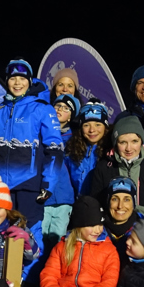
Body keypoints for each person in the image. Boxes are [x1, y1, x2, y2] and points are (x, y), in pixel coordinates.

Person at [0, 58, 63, 247]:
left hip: (30, 183)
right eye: (13, 79)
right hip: (3, 186)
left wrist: (48, 183)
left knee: (29, 234)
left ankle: (30, 277)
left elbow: (55, 148)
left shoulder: (42, 108)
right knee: (1, 235)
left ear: (30, 81)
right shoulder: (1, 109)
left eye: (22, 78)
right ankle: (6, 276)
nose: (17, 83)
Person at [87, 115, 144, 220]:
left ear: (141, 142)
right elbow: (96, 204)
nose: (129, 148)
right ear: (115, 143)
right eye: (123, 142)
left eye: (134, 141)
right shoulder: (104, 167)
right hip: (112, 225)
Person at [43, 93, 81, 244]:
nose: (60, 109)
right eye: (57, 105)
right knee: (40, 236)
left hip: (64, 198)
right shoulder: (42, 132)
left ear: (71, 116)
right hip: (45, 196)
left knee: (58, 239)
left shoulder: (74, 140)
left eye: (66, 108)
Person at [64, 100, 112, 199]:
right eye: (86, 125)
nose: (92, 130)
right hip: (77, 204)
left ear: (105, 126)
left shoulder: (111, 151)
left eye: (98, 125)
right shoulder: (72, 149)